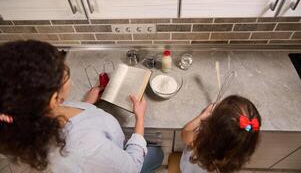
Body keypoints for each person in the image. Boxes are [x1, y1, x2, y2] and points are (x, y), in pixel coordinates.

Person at [0, 40, 163, 173]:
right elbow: (132, 167)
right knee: (158, 154)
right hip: (122, 160)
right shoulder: (84, 149)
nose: (68, 75)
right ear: (53, 98)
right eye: (65, 74)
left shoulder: (33, 114)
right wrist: (140, 118)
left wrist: (86, 104)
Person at [180, 95, 261, 173]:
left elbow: (185, 132)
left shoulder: (200, 142)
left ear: (212, 124)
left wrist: (202, 116)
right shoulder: (236, 154)